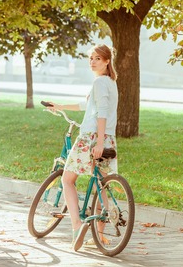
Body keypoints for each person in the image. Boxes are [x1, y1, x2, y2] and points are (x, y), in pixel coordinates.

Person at [45, 44, 118, 251]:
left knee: (68, 179)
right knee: (100, 184)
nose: (93, 62)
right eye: (91, 58)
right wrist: (59, 106)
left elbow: (102, 112)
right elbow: (86, 106)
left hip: (92, 137)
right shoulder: (110, 83)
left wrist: (99, 142)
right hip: (108, 137)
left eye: (98, 58)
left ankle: (77, 225)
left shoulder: (100, 83)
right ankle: (100, 236)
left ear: (107, 61)